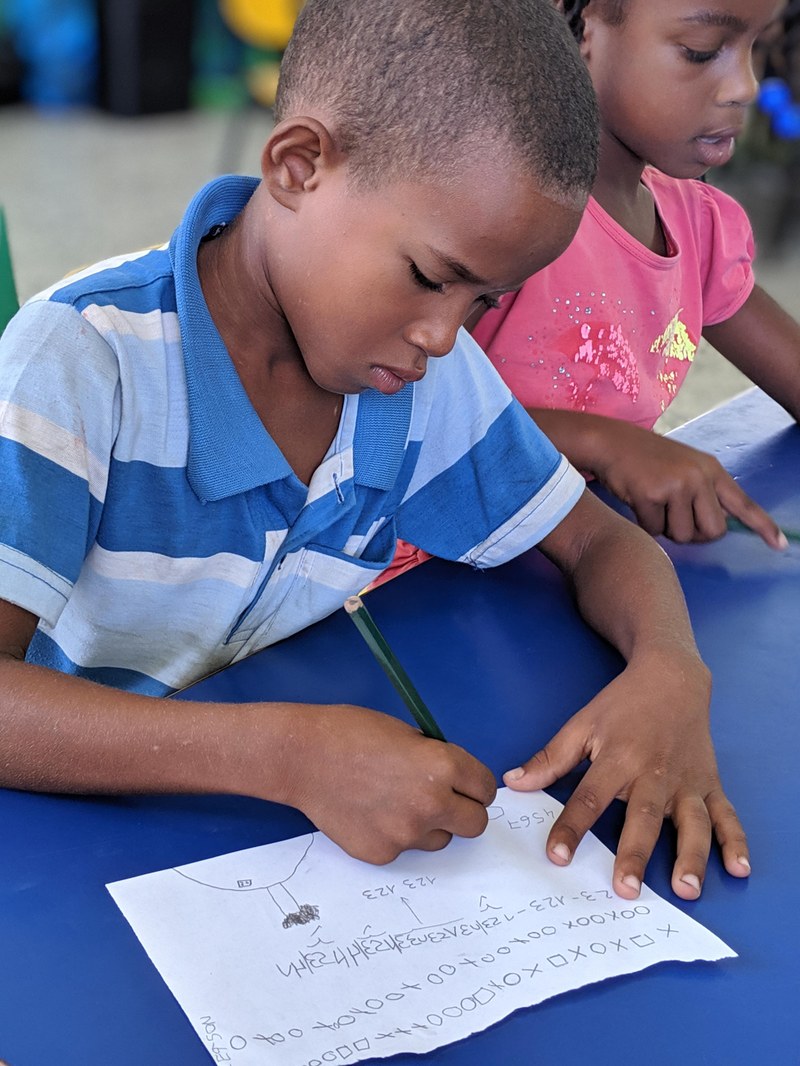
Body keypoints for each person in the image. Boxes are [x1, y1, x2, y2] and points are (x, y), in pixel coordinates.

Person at [0, 0, 752, 903]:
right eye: (431, 276)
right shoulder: (83, 359)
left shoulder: (418, 379)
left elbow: (597, 539)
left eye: (482, 302)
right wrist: (287, 755)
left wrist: (671, 668)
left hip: (242, 846)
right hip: (54, 848)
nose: (444, 335)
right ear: (299, 166)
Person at [471, 0, 800, 546]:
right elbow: (393, 420)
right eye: (700, 51)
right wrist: (604, 443)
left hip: (567, 545)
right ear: (584, 27)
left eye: (757, 50)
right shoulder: (497, 211)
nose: (744, 86)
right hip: (414, 570)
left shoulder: (700, 227)